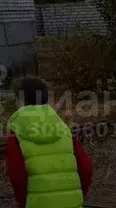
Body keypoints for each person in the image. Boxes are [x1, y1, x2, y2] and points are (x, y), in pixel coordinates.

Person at [6, 77, 93, 208]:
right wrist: (78, 195)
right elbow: (86, 169)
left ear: (21, 101)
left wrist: (24, 203)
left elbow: (17, 177)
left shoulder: (16, 135)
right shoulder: (65, 130)